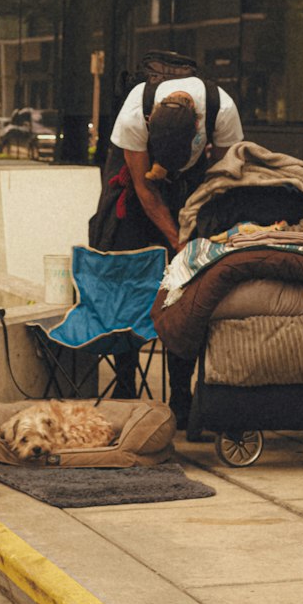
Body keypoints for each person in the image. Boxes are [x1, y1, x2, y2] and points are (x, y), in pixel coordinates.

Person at [107, 73, 243, 425]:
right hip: (140, 195)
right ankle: (125, 386)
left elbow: (226, 176)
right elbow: (143, 187)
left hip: (196, 186)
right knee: (131, 281)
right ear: (150, 121)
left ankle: (181, 395)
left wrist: (196, 237)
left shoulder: (221, 108)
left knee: (186, 290)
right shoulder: (135, 112)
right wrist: (175, 237)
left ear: (199, 122)